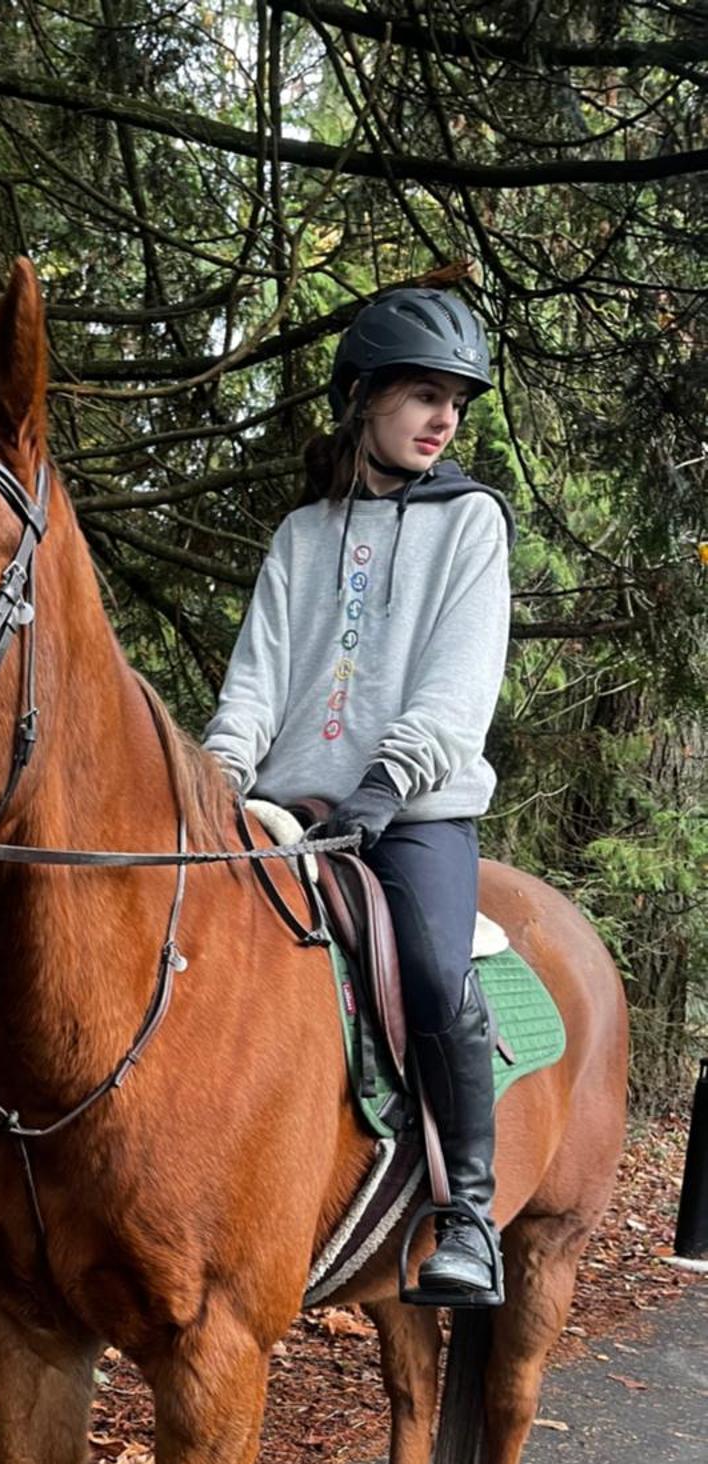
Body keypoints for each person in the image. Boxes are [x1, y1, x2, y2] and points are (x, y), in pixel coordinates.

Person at [202, 287, 516, 1305]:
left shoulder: (471, 523)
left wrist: (385, 787)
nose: (444, 419)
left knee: (429, 967)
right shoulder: (303, 534)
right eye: (426, 395)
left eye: (457, 404)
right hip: (285, 814)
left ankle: (467, 1213)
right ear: (366, 398)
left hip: (412, 816)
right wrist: (216, 781)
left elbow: (459, 684)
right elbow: (255, 683)